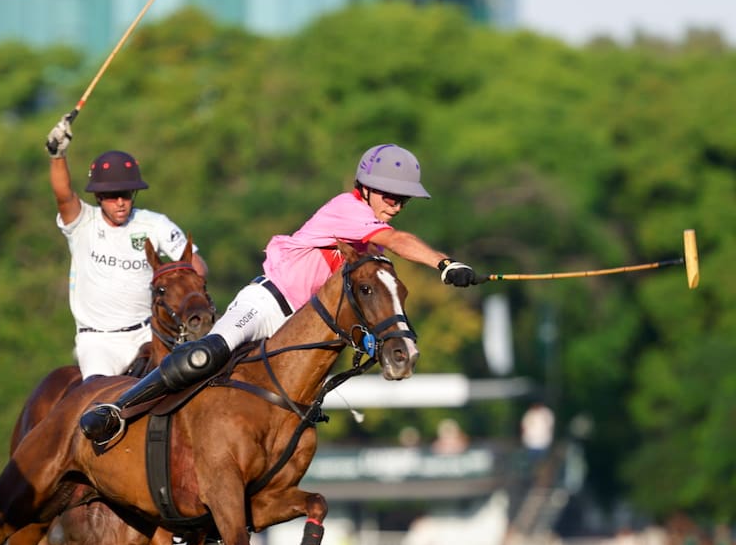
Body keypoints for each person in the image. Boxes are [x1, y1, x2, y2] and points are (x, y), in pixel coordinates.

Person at [80, 143, 476, 444]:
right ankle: (118, 409)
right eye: (391, 196)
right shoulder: (349, 210)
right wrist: (444, 264)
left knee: (291, 415)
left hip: (299, 330)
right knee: (207, 354)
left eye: (403, 199)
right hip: (267, 304)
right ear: (367, 190)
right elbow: (398, 239)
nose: (397, 205)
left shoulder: (368, 250)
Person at [45, 113, 196, 379]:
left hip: (149, 336)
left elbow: (196, 265)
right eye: (112, 196)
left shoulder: (155, 224)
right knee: (98, 406)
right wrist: (58, 156)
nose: (121, 202)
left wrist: (184, 285)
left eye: (126, 194)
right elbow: (63, 195)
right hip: (100, 343)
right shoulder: (83, 223)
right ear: (99, 196)